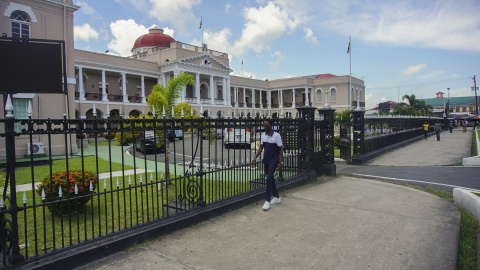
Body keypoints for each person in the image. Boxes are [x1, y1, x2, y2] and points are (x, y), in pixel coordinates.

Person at [251, 119, 283, 211]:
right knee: (270, 179)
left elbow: (280, 149)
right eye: (264, 125)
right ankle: (276, 197)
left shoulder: (276, 136)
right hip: (266, 160)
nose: (265, 127)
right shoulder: (263, 136)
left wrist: (280, 162)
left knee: (269, 178)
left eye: (267, 125)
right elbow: (261, 148)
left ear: (271, 125)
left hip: (274, 160)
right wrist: (255, 157)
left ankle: (267, 200)